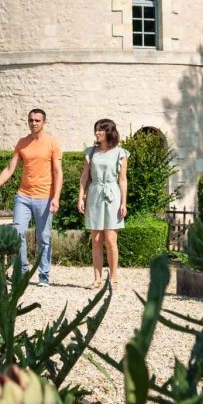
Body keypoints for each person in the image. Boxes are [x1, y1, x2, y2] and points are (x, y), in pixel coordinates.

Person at [0, 108, 62, 286]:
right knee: (17, 234)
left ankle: (44, 275)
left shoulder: (52, 143)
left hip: (45, 197)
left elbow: (58, 172)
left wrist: (56, 197)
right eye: (31, 120)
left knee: (43, 237)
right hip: (23, 197)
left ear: (44, 122)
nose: (33, 123)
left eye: (37, 120)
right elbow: (10, 169)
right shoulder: (22, 143)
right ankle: (22, 272)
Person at [78, 117, 129, 290]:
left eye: (101, 129)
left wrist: (123, 203)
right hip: (94, 194)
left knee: (111, 239)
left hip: (113, 195)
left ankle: (113, 278)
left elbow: (123, 180)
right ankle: (97, 279)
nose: (97, 132)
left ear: (109, 132)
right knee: (96, 239)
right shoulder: (90, 152)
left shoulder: (121, 153)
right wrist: (81, 197)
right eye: (96, 129)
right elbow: (84, 177)